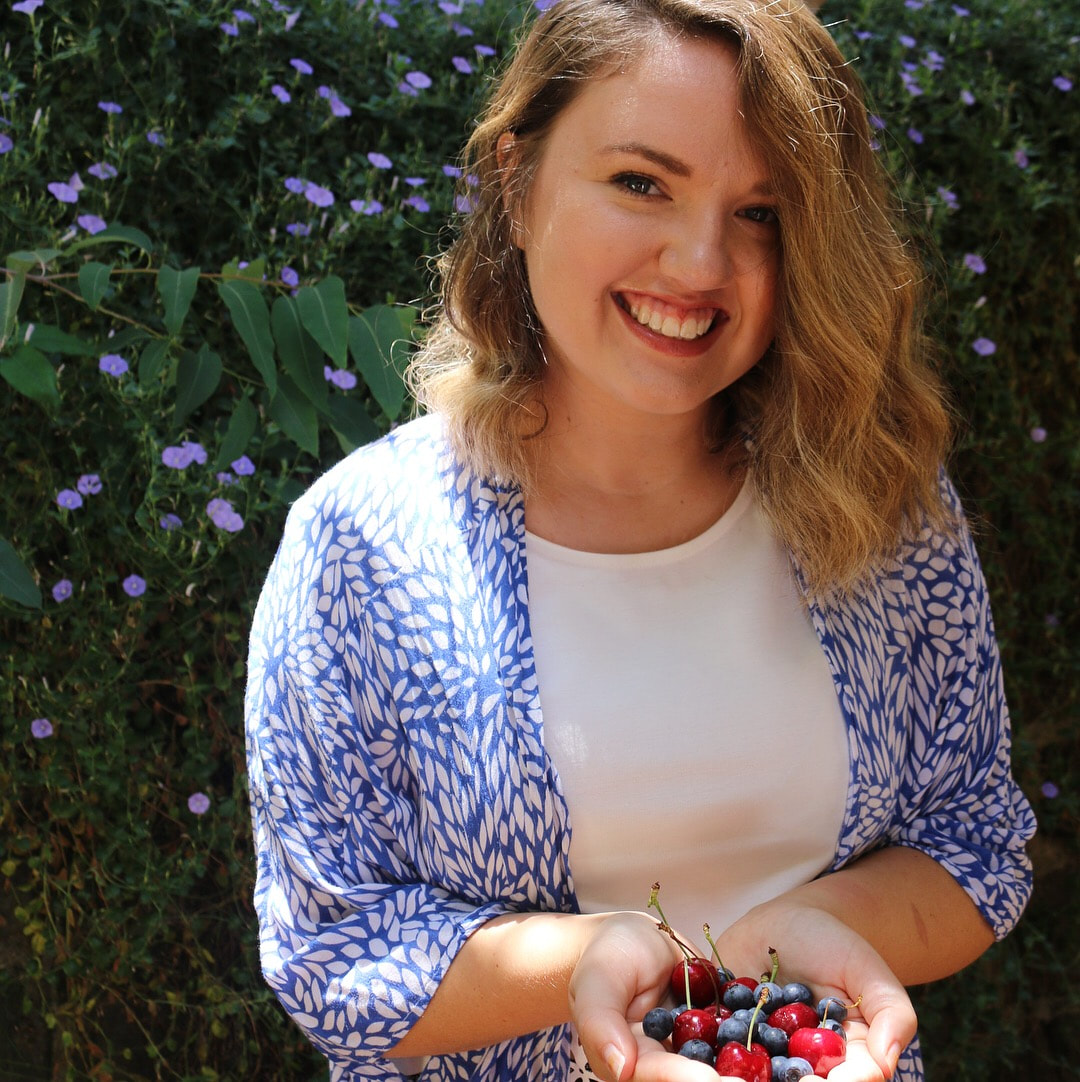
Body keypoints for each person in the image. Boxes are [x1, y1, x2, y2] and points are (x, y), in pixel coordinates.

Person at [244, 2, 1035, 1081]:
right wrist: (597, 961)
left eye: (761, 211)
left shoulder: (882, 504)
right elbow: (332, 953)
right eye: (641, 182)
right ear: (517, 186)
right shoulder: (362, 552)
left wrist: (791, 934)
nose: (700, 260)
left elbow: (976, 843)